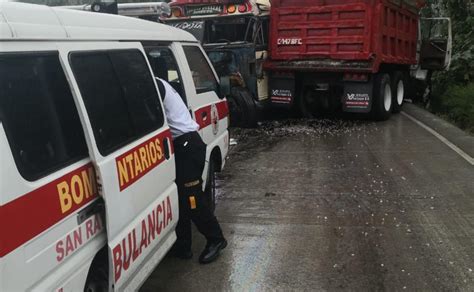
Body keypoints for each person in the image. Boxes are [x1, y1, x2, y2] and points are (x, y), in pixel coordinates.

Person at [156, 77, 227, 264]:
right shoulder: (160, 82)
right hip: (182, 146)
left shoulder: (155, 85)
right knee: (181, 198)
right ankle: (183, 245)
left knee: (192, 199)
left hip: (188, 145)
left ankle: (216, 239)